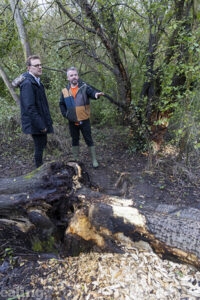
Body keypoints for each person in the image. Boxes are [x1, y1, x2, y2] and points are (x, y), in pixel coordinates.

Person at [13, 55, 54, 168]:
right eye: (36, 65)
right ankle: (38, 172)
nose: (40, 67)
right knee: (39, 147)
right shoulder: (28, 84)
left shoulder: (36, 81)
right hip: (35, 123)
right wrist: (41, 125)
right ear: (29, 68)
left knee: (41, 145)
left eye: (40, 65)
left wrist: (47, 121)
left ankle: (40, 170)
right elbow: (30, 107)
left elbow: (42, 105)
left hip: (40, 121)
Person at [59, 66, 104, 168]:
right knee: (75, 139)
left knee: (88, 139)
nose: (74, 77)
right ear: (68, 78)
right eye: (71, 75)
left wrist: (96, 95)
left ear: (78, 76)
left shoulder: (84, 87)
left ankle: (94, 160)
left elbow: (92, 93)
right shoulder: (65, 91)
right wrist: (65, 114)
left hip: (84, 119)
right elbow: (61, 104)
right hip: (72, 120)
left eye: (75, 75)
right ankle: (76, 160)